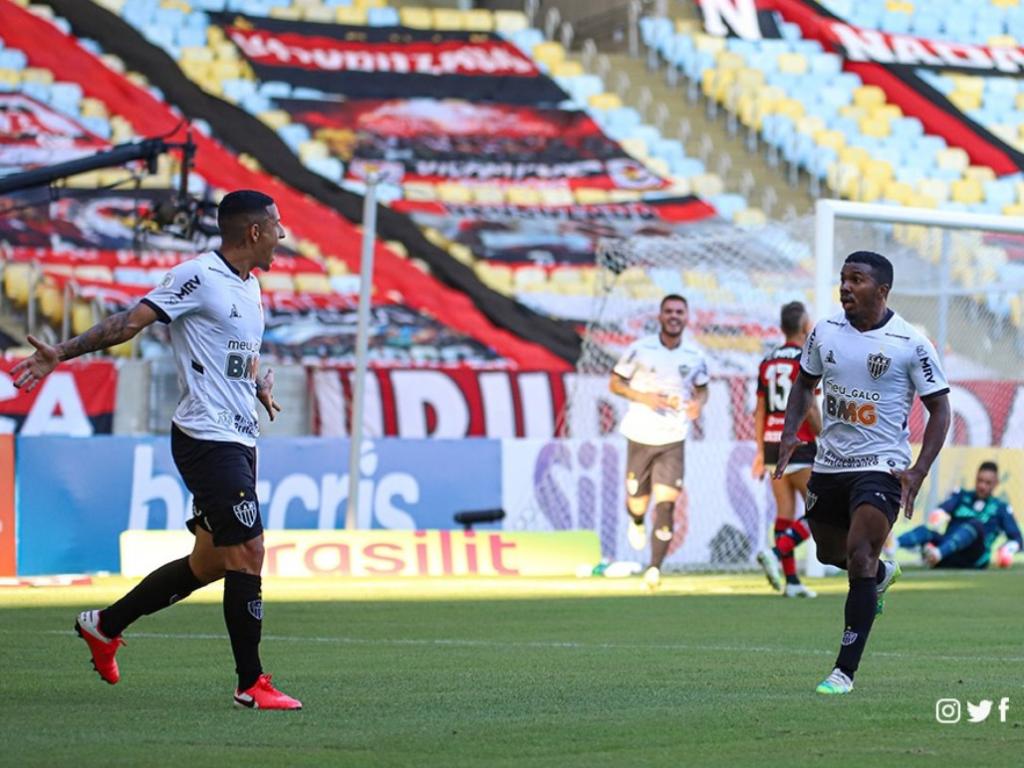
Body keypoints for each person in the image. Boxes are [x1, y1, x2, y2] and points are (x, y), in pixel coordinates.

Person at [12, 190, 302, 710]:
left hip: (239, 435)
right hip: (207, 438)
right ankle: (251, 683)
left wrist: (256, 385)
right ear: (254, 231)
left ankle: (105, 625)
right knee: (249, 551)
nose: (283, 235)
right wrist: (61, 352)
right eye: (277, 226)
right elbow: (129, 323)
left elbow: (232, 355)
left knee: (209, 563)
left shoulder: (250, 287)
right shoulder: (198, 276)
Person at [775, 251, 951, 695]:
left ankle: (843, 672)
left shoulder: (910, 343)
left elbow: (940, 409)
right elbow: (804, 383)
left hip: (881, 466)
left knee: (859, 556)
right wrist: (790, 433)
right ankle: (881, 574)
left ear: (882, 290)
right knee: (829, 554)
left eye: (856, 280)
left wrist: (918, 470)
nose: (846, 287)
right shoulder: (824, 331)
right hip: (829, 463)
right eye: (844, 279)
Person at [609, 294, 709, 591]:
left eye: (679, 311)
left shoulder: (694, 356)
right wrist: (643, 397)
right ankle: (637, 520)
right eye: (669, 311)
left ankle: (654, 569)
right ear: (660, 316)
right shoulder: (640, 349)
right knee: (637, 502)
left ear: (686, 317)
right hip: (640, 435)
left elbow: (703, 389)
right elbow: (615, 382)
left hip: (673, 437)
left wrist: (698, 405)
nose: (674, 316)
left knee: (666, 505)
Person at [752, 301, 821, 598]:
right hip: (800, 441)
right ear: (805, 326)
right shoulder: (805, 359)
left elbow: (760, 410)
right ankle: (776, 552)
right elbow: (809, 406)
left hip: (772, 443)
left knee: (785, 514)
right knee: (822, 511)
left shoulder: (767, 361)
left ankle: (791, 582)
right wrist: (825, 437)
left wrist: (760, 451)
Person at [897, 461, 1021, 569]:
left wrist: (1007, 550)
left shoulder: (1001, 508)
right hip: (950, 552)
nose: (982, 486)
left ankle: (936, 553)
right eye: (979, 480)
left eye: (987, 483)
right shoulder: (961, 495)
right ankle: (893, 543)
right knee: (925, 531)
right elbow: (942, 509)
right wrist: (939, 515)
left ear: (996, 484)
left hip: (974, 558)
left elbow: (1017, 539)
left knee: (975, 524)